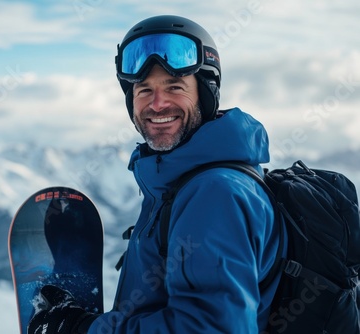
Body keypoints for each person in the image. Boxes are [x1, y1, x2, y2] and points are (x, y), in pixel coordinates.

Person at [27, 15, 283, 334]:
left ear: (205, 93)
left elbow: (211, 329)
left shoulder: (213, 192)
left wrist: (82, 329)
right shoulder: (178, 180)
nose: (157, 104)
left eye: (174, 87)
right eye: (144, 90)